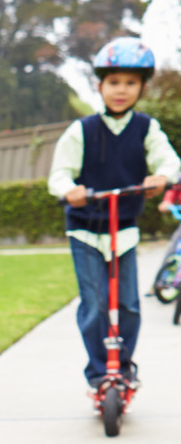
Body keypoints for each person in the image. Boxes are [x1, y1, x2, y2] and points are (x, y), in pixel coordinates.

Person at [47, 37, 180, 388]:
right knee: (94, 305)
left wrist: (161, 176)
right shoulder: (83, 131)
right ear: (100, 85)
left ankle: (122, 368)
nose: (121, 90)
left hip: (124, 229)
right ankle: (98, 373)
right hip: (85, 230)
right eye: (114, 82)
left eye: (131, 83)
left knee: (129, 306)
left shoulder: (145, 128)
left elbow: (169, 160)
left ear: (142, 87)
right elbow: (58, 175)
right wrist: (69, 190)